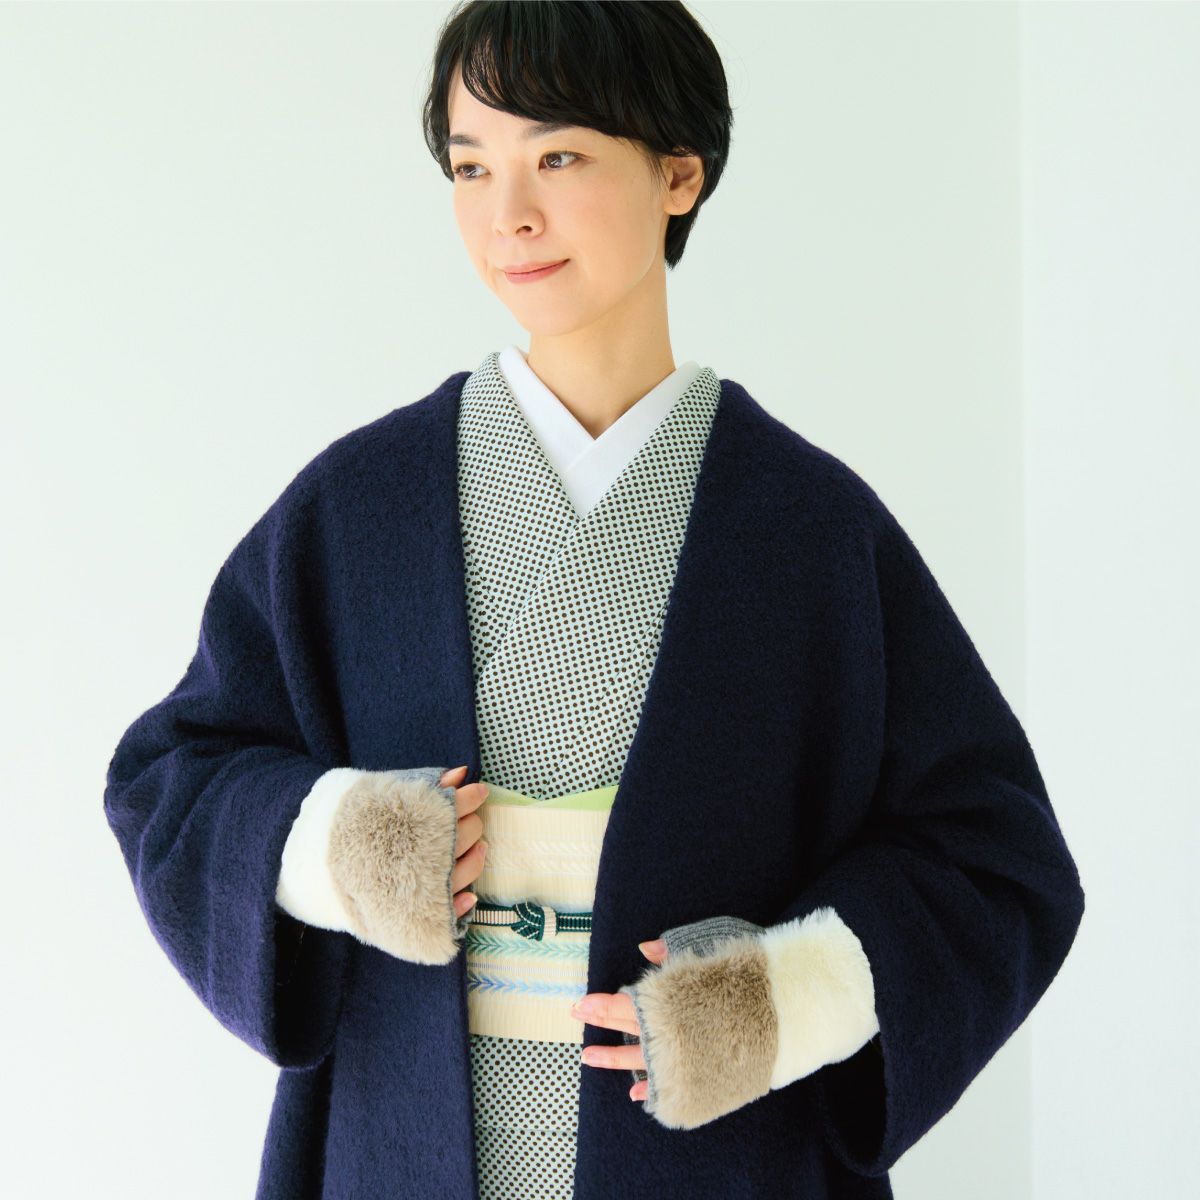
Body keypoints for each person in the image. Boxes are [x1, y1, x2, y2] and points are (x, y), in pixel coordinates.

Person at [103, 4, 1085, 1199]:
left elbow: (996, 856)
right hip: (402, 1134)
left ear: (679, 172)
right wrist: (338, 845)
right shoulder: (359, 505)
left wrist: (783, 1001)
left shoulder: (809, 524)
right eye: (472, 166)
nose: (507, 213)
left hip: (723, 1160)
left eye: (558, 156)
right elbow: (171, 776)